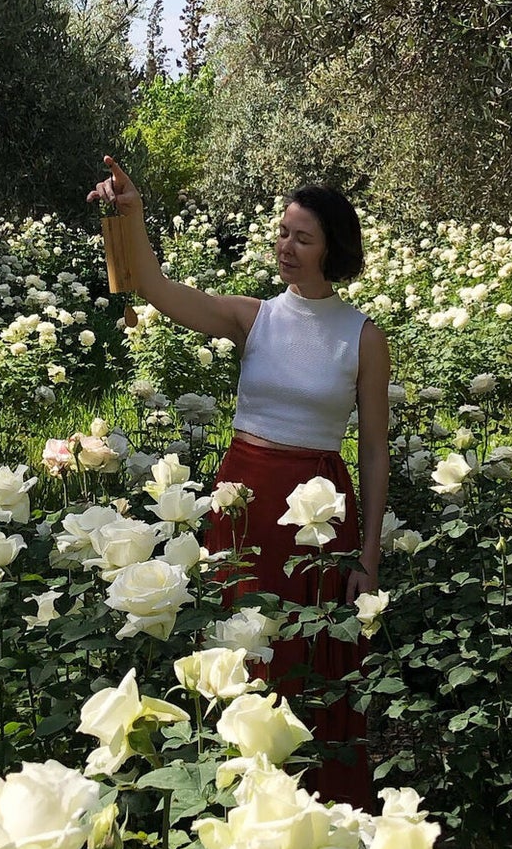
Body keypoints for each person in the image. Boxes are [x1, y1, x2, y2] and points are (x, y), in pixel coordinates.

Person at [87, 155, 389, 807]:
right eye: (281, 232)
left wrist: (366, 559)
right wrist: (130, 215)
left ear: (332, 248)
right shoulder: (252, 316)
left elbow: (372, 455)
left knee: (309, 654)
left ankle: (318, 807)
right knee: (240, 647)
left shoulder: (361, 337)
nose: (285, 245)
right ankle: (237, 800)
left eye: (301, 237)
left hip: (317, 512)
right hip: (243, 501)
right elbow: (155, 287)